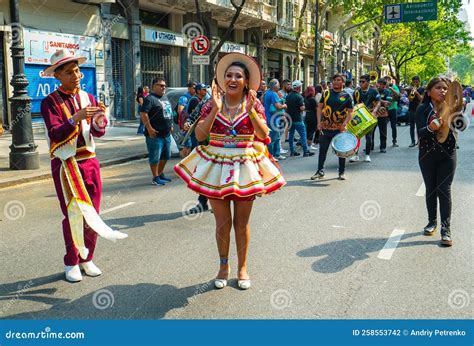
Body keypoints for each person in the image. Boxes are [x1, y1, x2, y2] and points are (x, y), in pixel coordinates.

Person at [174, 53, 286, 290]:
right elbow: (200, 136)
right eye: (228, 75)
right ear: (222, 79)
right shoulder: (211, 103)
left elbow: (265, 135)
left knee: (241, 223)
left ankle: (242, 267)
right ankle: (223, 266)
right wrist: (214, 108)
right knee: (222, 223)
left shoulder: (253, 103)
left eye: (238, 76)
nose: (232, 79)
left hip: (245, 164)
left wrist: (251, 111)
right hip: (217, 164)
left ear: (246, 81)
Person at [41, 49, 127, 282]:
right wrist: (75, 118)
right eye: (69, 72)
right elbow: (55, 133)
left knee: (93, 213)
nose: (76, 75)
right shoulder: (49, 103)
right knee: (72, 214)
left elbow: (97, 132)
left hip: (89, 161)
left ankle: (87, 257)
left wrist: (100, 120)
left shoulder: (89, 98)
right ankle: (71, 261)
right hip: (66, 164)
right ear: (57, 76)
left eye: (77, 70)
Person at [416, 77, 463, 247]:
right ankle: (431, 222)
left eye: (445, 88)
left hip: (448, 154)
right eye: (438, 88)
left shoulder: (453, 108)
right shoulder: (422, 109)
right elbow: (420, 133)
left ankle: (446, 229)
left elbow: (462, 126)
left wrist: (458, 112)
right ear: (429, 92)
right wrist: (431, 128)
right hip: (426, 155)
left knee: (444, 190)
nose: (443, 91)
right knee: (431, 188)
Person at [311, 73, 353, 180]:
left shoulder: (347, 96)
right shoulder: (325, 93)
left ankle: (341, 172)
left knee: (341, 152)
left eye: (339, 80)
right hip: (326, 128)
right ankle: (320, 171)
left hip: (339, 129)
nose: (336, 82)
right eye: (334, 80)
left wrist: (344, 124)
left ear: (343, 82)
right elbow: (319, 108)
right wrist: (319, 122)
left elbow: (350, 112)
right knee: (322, 151)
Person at [182, 83, 212, 214]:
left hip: (228, 146)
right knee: (204, 172)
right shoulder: (208, 102)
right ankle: (202, 202)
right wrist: (188, 122)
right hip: (205, 143)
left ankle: (222, 204)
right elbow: (194, 114)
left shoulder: (237, 102)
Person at [140, 78, 174, 186]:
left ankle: (160, 174)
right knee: (155, 157)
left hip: (166, 133)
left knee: (166, 155)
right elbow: (143, 114)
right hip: (155, 134)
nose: (163, 87)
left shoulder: (164, 97)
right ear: (154, 87)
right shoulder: (150, 99)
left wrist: (171, 125)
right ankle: (155, 177)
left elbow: (168, 112)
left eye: (164, 85)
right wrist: (149, 128)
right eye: (160, 85)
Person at [350, 74, 380, 163]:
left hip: (370, 114)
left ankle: (367, 155)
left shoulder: (374, 91)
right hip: (359, 116)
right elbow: (354, 104)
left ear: (368, 82)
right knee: (356, 135)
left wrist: (374, 111)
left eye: (363, 82)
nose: (360, 83)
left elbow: (378, 102)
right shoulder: (356, 92)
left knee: (368, 136)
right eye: (360, 81)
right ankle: (355, 155)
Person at [286, 80, 315, 157]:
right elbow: (302, 108)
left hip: (290, 118)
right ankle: (306, 151)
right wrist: (305, 107)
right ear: (299, 87)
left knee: (291, 135)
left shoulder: (288, 95)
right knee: (303, 134)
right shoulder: (299, 96)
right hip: (297, 118)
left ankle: (292, 151)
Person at [264, 78, 287, 160]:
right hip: (272, 119)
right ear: (274, 85)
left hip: (271, 118)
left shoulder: (268, 93)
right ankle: (270, 156)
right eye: (278, 85)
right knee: (272, 138)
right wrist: (284, 105)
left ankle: (276, 154)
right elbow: (278, 106)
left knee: (276, 137)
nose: (279, 87)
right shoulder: (273, 94)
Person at [374, 78, 393, 153]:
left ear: (384, 85)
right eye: (378, 84)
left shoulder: (387, 92)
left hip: (383, 114)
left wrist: (379, 101)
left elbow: (389, 102)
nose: (379, 85)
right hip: (374, 114)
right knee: (371, 131)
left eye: (381, 84)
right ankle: (370, 146)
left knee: (383, 132)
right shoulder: (374, 91)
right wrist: (382, 101)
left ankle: (383, 147)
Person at [408, 76, 424, 147]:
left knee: (419, 127)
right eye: (413, 82)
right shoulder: (410, 89)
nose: (415, 83)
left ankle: (419, 141)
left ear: (419, 82)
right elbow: (410, 99)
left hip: (419, 110)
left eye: (416, 82)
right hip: (411, 109)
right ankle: (412, 141)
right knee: (412, 126)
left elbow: (421, 99)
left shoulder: (422, 89)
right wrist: (412, 92)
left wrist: (416, 92)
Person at [384, 76, 400, 146]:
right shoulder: (383, 88)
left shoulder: (394, 87)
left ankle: (394, 141)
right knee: (383, 126)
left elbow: (398, 95)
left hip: (393, 108)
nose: (386, 82)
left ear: (390, 81)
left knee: (393, 125)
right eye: (385, 80)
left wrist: (392, 89)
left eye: (388, 80)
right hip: (385, 109)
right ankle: (383, 142)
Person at [304, 86, 318, 150]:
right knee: (312, 130)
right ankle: (309, 145)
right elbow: (317, 109)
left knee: (308, 130)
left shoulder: (305, 98)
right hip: (313, 116)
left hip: (307, 115)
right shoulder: (313, 99)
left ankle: (307, 143)